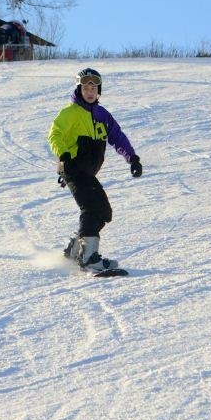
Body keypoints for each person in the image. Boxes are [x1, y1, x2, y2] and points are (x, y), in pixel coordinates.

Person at [47, 68, 143, 271]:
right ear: (79, 89)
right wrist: (63, 155)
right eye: (85, 87)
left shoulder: (102, 115)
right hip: (73, 168)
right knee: (93, 207)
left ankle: (75, 250)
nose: (89, 91)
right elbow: (54, 134)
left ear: (99, 90)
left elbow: (117, 137)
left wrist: (132, 158)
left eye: (93, 88)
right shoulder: (70, 112)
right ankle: (89, 257)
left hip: (87, 173)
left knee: (103, 211)